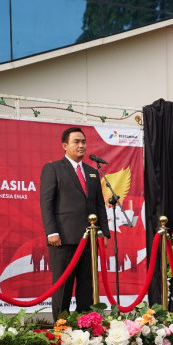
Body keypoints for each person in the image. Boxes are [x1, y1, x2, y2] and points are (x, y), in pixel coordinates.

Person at [40, 127, 110, 322]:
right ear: (65, 146)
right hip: (63, 239)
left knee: (87, 286)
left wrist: (103, 232)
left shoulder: (92, 172)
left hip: (89, 240)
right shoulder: (53, 168)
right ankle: (61, 327)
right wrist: (51, 232)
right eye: (76, 142)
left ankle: (85, 327)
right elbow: (46, 203)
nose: (81, 145)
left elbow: (99, 205)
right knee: (63, 286)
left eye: (83, 142)